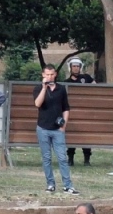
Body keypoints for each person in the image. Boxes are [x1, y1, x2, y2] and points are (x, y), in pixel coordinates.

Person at [33, 64, 80, 195]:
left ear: (55, 74)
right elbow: (37, 104)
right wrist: (44, 88)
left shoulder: (61, 89)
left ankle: (67, 185)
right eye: (47, 74)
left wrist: (63, 125)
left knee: (62, 158)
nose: (50, 76)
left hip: (57, 129)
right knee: (46, 158)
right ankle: (50, 184)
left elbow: (66, 107)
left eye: (52, 74)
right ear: (43, 75)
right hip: (43, 128)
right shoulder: (38, 88)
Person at [64, 57, 96, 166]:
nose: (76, 68)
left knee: (86, 136)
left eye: (78, 66)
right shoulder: (66, 82)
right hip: (73, 113)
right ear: (70, 68)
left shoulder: (86, 78)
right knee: (72, 135)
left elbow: (96, 88)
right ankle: (70, 159)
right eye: (74, 66)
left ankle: (87, 160)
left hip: (86, 112)